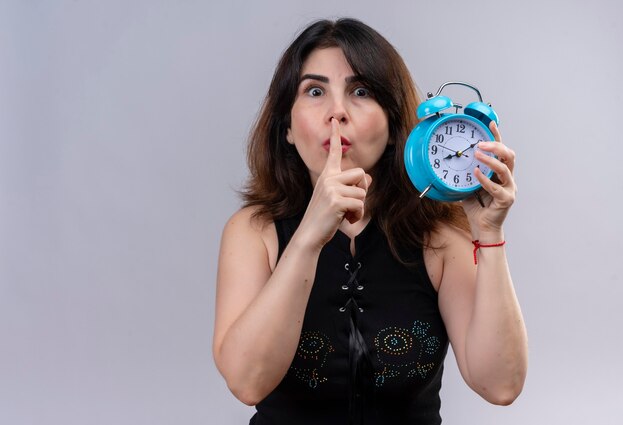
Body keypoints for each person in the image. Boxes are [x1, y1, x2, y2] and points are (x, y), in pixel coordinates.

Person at [213, 18, 527, 425]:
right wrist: (309, 236)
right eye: (314, 91)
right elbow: (246, 382)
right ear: (286, 128)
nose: (337, 112)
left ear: (395, 125)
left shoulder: (440, 238)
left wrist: (489, 234)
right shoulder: (253, 231)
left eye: (360, 91)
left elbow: (500, 385)